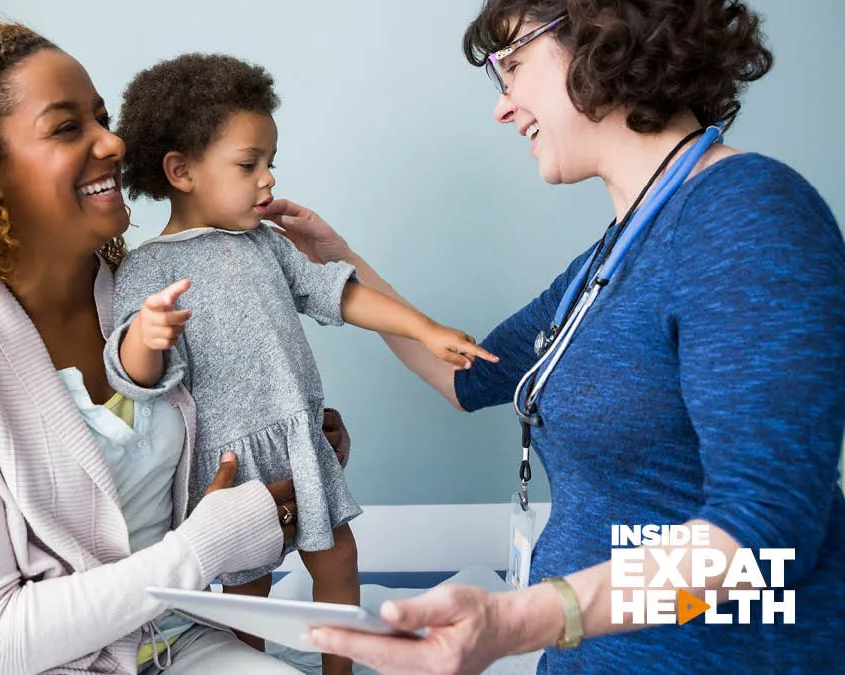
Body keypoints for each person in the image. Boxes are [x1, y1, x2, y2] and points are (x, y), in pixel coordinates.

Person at [265, 0, 845, 673]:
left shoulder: (748, 215)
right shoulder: (606, 263)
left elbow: (766, 534)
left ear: (602, 36)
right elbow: (465, 375)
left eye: (511, 67)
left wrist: (524, 617)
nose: (503, 106)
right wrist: (340, 259)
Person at [0, 12, 344, 674]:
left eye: (102, 117)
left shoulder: (143, 294)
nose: (114, 143)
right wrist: (204, 546)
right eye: (68, 127)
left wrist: (293, 455)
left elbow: (204, 460)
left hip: (169, 637)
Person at [103, 53, 498, 675]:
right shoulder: (147, 269)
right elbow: (131, 377)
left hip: (297, 436)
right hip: (229, 458)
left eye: (270, 164)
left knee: (338, 558)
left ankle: (339, 670)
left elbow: (337, 292)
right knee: (246, 592)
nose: (266, 180)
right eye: (247, 164)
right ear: (181, 170)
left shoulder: (264, 244)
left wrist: (424, 327)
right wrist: (146, 338)